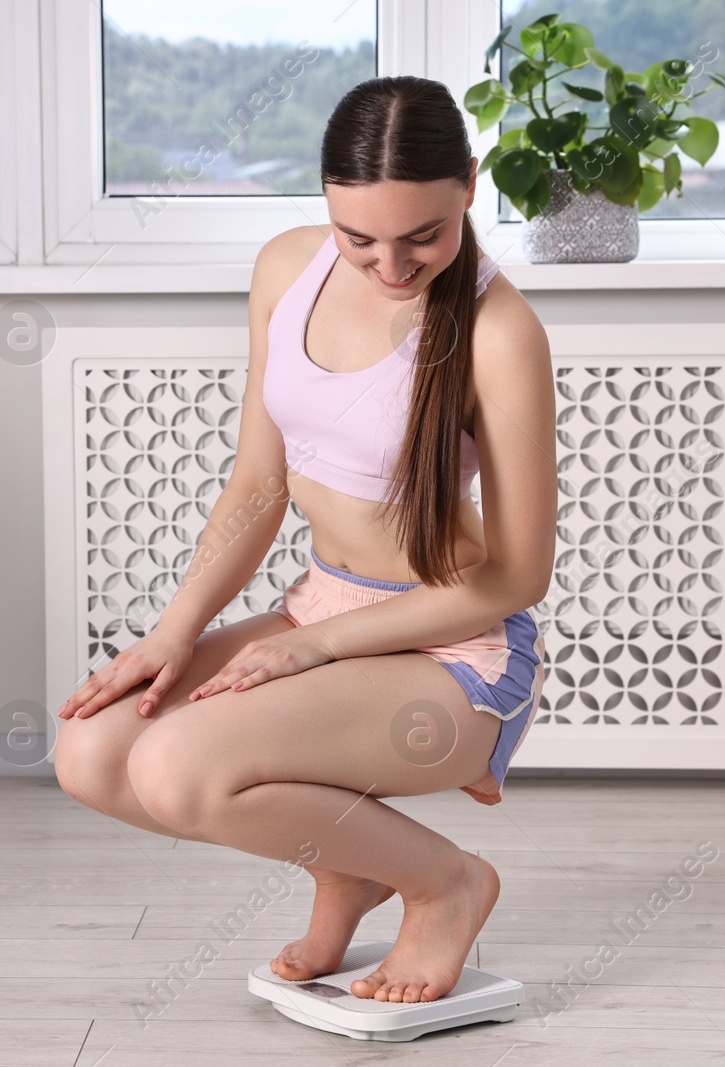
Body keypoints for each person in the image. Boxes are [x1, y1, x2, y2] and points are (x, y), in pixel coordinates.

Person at [52, 74, 556, 1006]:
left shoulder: (500, 331)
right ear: (324, 203)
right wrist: (172, 633)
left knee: (175, 766)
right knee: (90, 751)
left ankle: (445, 883)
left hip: (456, 652)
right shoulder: (289, 268)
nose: (391, 265)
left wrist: (312, 643)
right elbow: (259, 484)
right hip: (325, 602)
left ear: (469, 188)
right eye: (358, 236)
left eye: (422, 237)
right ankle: (350, 865)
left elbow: (518, 573)